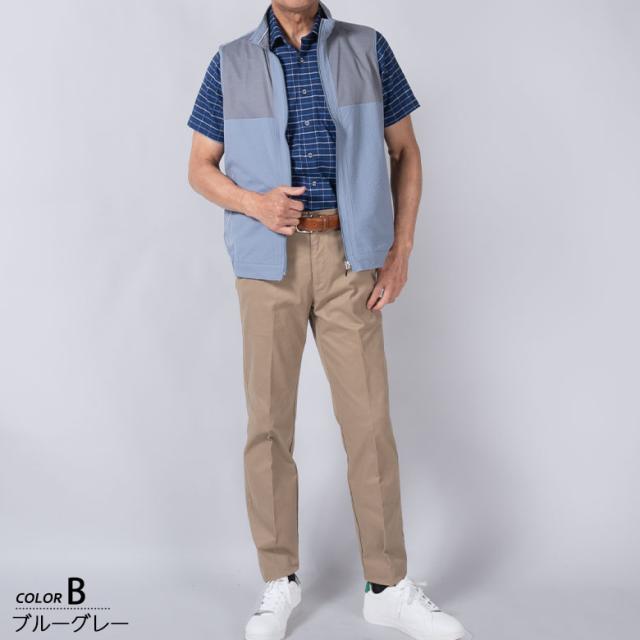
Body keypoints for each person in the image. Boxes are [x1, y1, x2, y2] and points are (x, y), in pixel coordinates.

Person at [187, 2, 465, 639]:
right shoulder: (230, 63)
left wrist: (400, 251)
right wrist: (254, 202)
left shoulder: (367, 47)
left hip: (351, 258)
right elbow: (200, 167)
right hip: (268, 262)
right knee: (268, 425)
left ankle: (386, 587)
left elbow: (405, 151)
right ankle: (278, 580)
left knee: (369, 424)